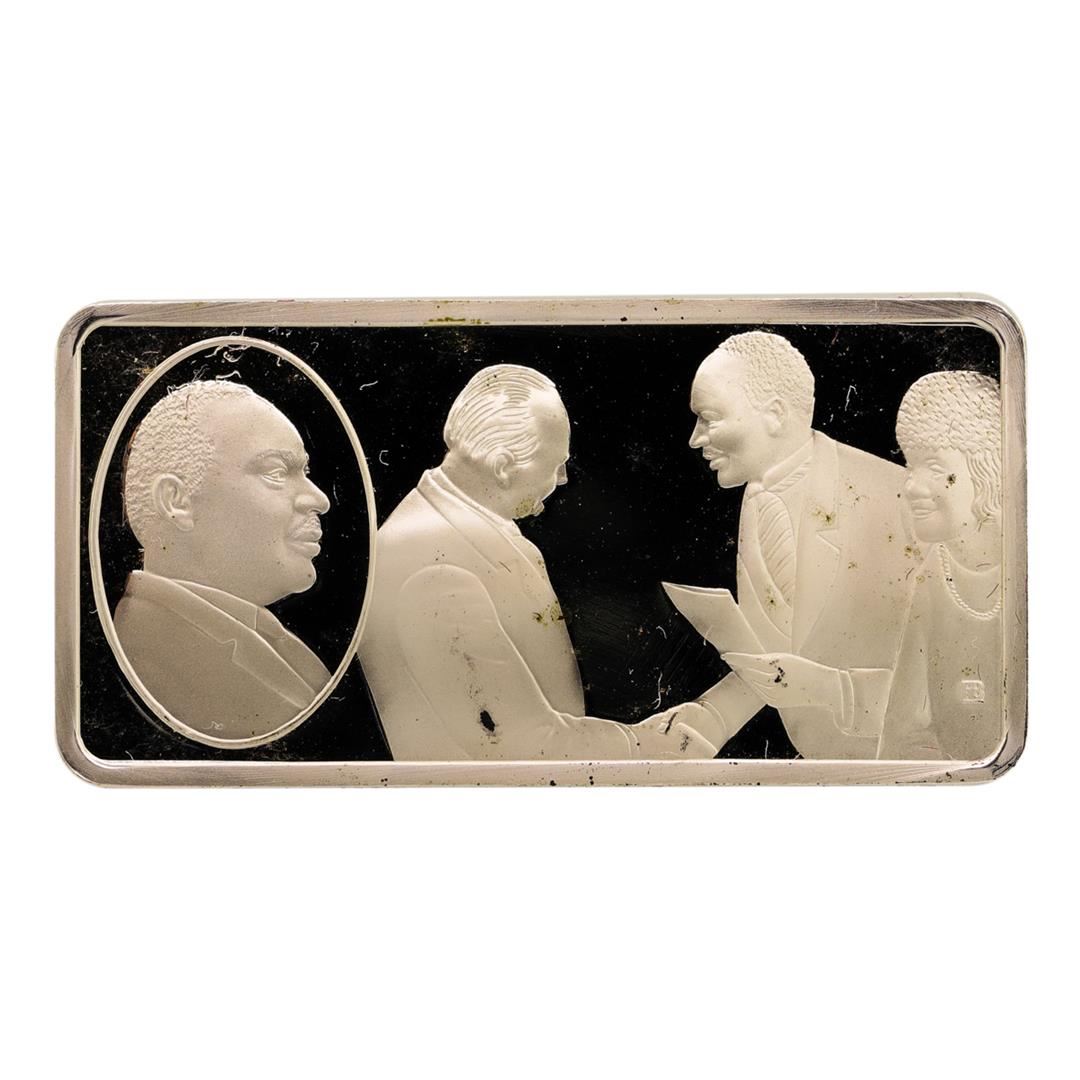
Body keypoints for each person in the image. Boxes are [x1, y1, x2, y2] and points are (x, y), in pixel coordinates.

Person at [357, 364, 716, 761]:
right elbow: (521, 743)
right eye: (555, 464)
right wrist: (648, 744)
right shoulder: (433, 570)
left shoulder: (470, 527)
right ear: (502, 466)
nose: (562, 479)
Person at [668, 331, 916, 759]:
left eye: (709, 418)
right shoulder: (757, 492)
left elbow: (947, 678)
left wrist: (835, 690)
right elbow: (781, 654)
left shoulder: (900, 503)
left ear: (775, 415)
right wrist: (712, 717)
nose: (695, 438)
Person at [114, 380, 333, 742]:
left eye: (305, 473)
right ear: (177, 502)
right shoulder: (153, 658)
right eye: (276, 473)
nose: (319, 499)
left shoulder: (259, 636)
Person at [876, 371, 1003, 759]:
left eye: (933, 468)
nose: (911, 486)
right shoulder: (935, 570)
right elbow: (901, 730)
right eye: (909, 466)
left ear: (988, 469)